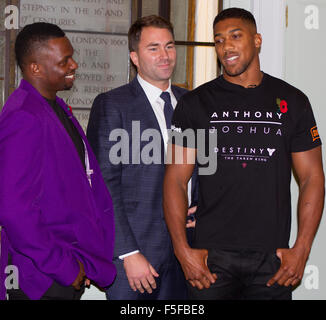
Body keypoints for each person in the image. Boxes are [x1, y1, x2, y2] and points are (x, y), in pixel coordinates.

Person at [163, 7, 324, 300]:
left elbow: (312, 176)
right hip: (211, 259)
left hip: (272, 260)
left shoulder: (293, 101)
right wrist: (183, 251)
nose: (226, 47)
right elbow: (175, 179)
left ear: (257, 40)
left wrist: (301, 249)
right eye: (219, 40)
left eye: (235, 36)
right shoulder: (195, 104)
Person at [0, 22, 116, 300]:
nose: (74, 64)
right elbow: (14, 210)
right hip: (40, 278)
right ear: (35, 68)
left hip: (67, 263)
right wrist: (63, 267)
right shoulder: (23, 116)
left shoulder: (54, 107)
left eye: (71, 56)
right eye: (64, 61)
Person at [87, 15, 196, 300]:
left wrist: (202, 209)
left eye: (170, 46)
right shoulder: (113, 105)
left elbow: (205, 170)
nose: (165, 55)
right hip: (135, 259)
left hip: (186, 256)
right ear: (134, 56)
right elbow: (104, 185)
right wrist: (127, 253)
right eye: (154, 48)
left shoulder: (193, 103)